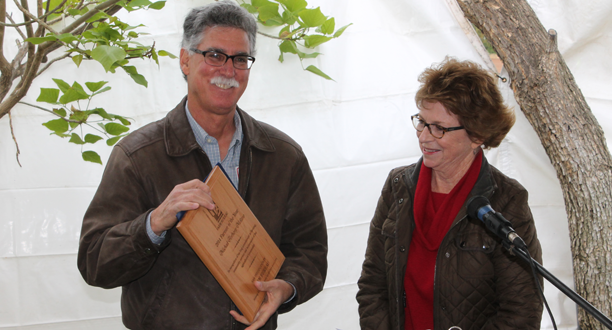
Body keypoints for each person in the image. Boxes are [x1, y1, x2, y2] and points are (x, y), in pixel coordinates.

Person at [77, 2, 328, 329]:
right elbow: (94, 262)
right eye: (214, 55)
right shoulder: (137, 156)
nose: (228, 70)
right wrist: (153, 224)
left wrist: (287, 287)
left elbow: (309, 251)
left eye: (240, 59)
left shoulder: (282, 156)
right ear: (185, 60)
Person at [356, 57, 543, 330]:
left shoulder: (506, 199)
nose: (424, 137)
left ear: (477, 136)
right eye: (422, 122)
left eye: (439, 128)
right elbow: (373, 283)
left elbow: (522, 311)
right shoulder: (398, 186)